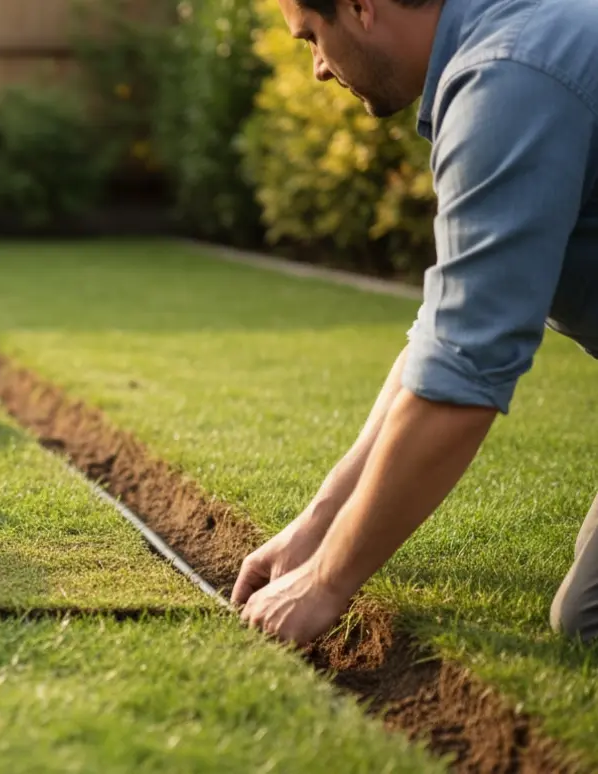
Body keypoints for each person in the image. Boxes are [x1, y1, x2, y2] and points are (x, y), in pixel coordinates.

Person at [231, 0, 598, 645]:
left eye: (313, 37)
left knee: (588, 620)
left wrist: (326, 583)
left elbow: (466, 369)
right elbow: (448, 325)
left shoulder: (508, 77)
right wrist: (318, 522)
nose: (317, 67)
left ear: (361, 7)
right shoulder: (507, 42)